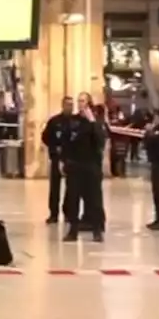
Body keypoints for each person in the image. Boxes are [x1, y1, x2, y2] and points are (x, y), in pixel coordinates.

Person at [62, 92, 105, 243]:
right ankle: (72, 230)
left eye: (83, 101)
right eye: (79, 101)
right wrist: (64, 161)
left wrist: (92, 121)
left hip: (91, 166)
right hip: (75, 165)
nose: (80, 104)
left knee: (94, 200)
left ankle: (97, 231)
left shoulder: (96, 121)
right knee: (73, 199)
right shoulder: (73, 121)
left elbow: (100, 141)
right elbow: (66, 141)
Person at [41, 97, 74, 224]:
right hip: (56, 158)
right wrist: (53, 148)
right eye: (67, 105)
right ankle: (53, 213)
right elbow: (45, 137)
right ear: (62, 105)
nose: (69, 107)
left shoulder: (75, 122)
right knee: (54, 187)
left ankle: (68, 212)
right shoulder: (54, 122)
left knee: (71, 188)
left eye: (71, 105)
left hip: (71, 158)